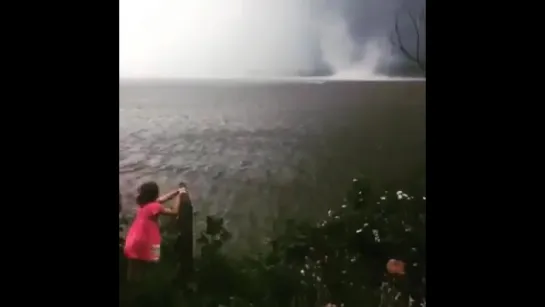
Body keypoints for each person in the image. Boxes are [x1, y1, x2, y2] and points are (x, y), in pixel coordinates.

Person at [124, 181, 187, 282]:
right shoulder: (155, 206)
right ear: (155, 194)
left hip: (132, 239)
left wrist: (176, 191)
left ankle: (133, 289)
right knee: (151, 266)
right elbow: (175, 212)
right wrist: (180, 195)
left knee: (133, 270)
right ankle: (151, 287)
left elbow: (164, 199)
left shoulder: (143, 206)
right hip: (147, 240)